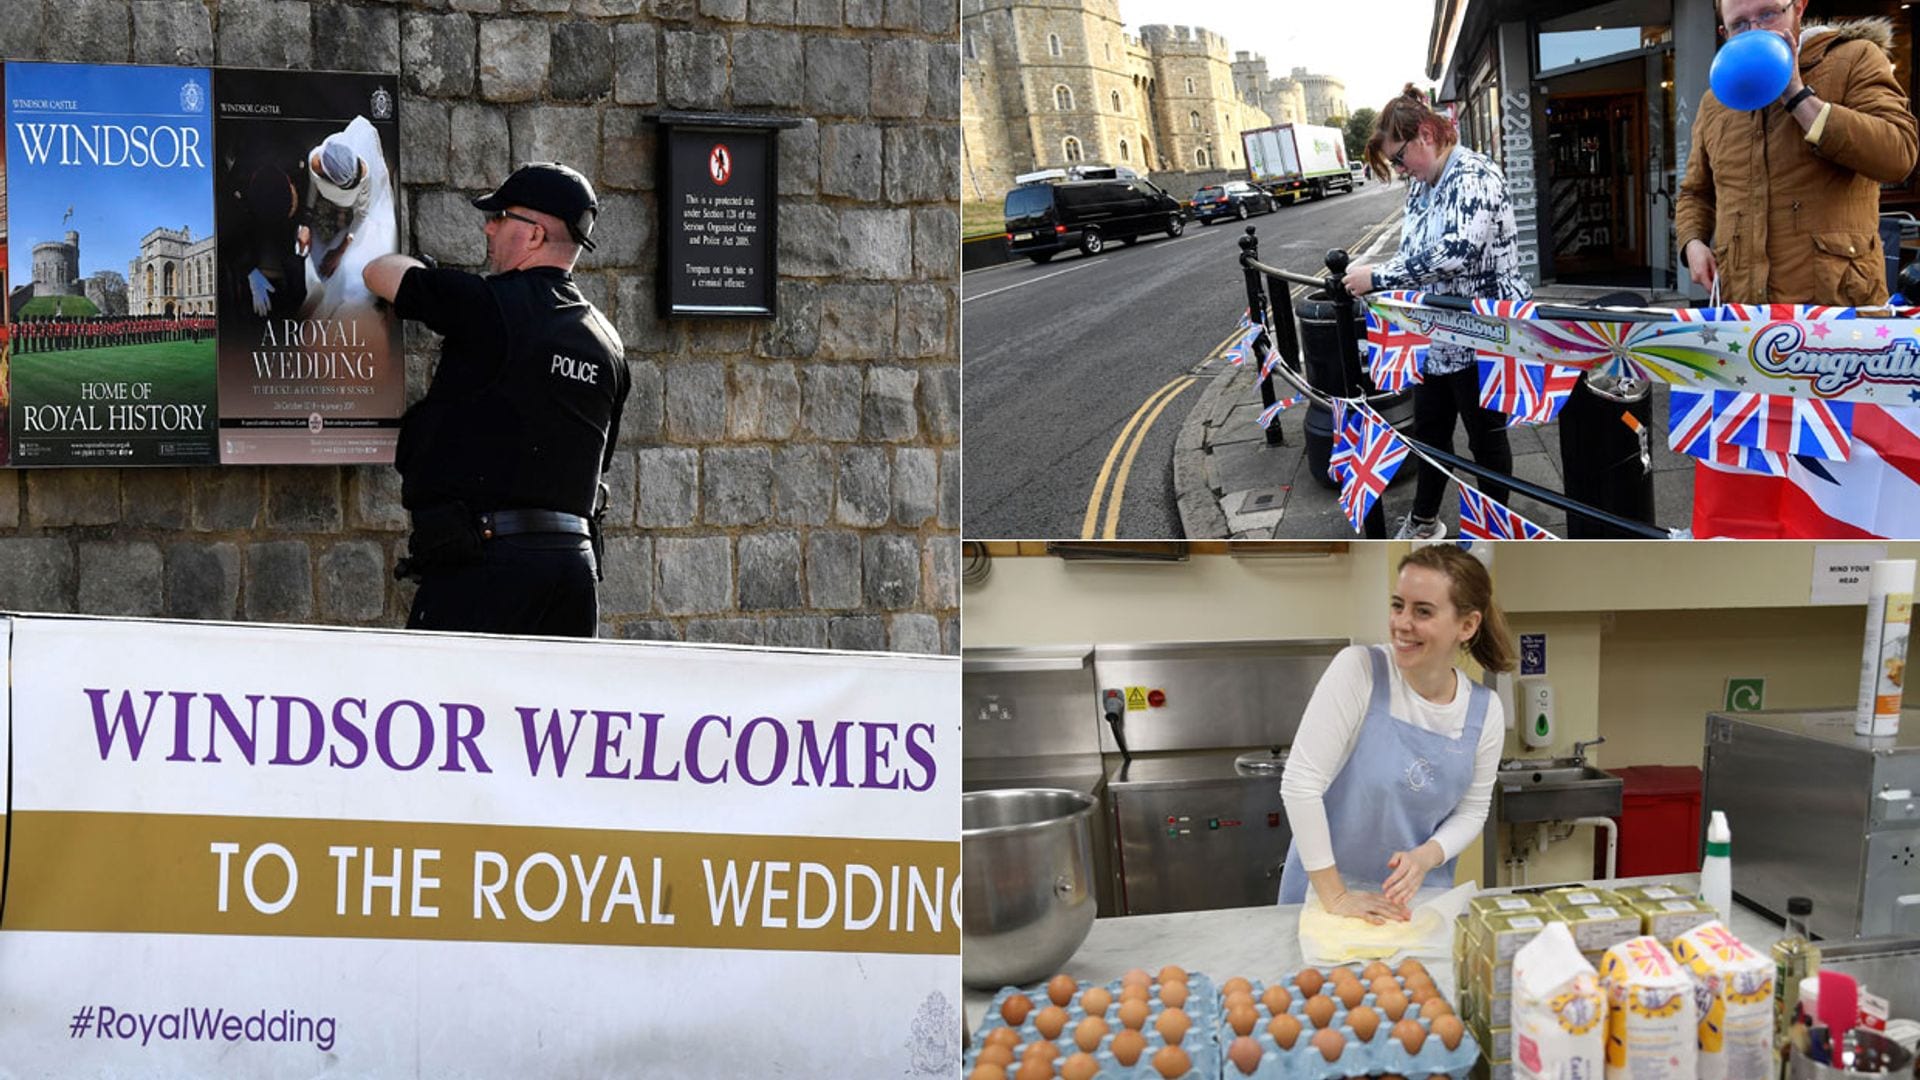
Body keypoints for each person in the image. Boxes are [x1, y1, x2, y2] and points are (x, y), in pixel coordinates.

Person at [363, 161, 629, 638]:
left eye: (500, 215)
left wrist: (429, 274)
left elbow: (379, 272)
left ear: (533, 235)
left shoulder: (487, 305)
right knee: (549, 711)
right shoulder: (607, 344)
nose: (488, 227)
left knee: (442, 706)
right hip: (573, 570)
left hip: (488, 567)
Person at [1277, 545, 1513, 922]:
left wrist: (1426, 857)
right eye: (1397, 605)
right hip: (1325, 902)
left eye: (1423, 611)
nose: (1402, 623)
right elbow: (1300, 784)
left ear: (1467, 625)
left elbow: (1472, 811)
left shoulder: (1484, 712)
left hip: (1414, 906)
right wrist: (1336, 898)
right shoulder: (1360, 671)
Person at [1341, 86, 1532, 541]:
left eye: (1401, 158)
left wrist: (1379, 278)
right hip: (1438, 335)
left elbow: (1456, 253)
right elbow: (1415, 249)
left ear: (1425, 134)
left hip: (1483, 332)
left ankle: (1493, 532)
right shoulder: (1424, 185)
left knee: (1485, 439)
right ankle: (1426, 520)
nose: (1402, 169)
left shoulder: (1474, 174)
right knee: (1430, 431)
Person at [1677, 4, 1916, 307]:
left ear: (1798, 8)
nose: (1757, 31)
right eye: (1739, 24)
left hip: (1838, 312)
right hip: (1744, 311)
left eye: (1768, 14)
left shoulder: (1855, 58)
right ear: (1724, 34)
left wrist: (1797, 94)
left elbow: (1898, 154)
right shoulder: (1715, 102)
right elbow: (1695, 193)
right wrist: (1692, 243)